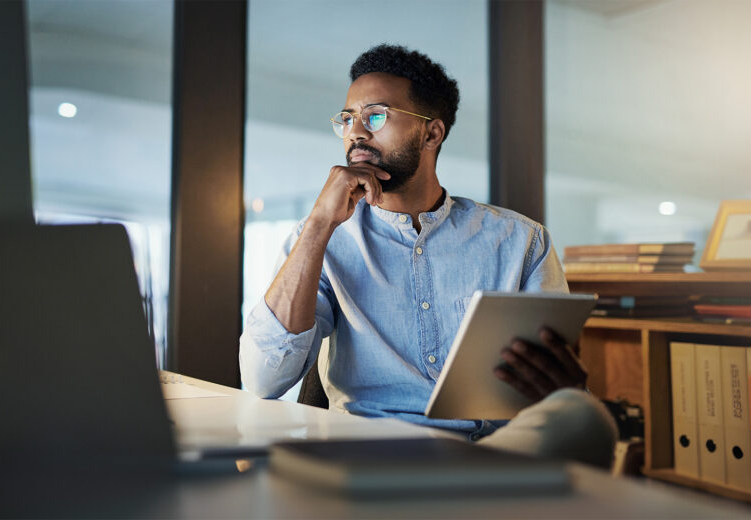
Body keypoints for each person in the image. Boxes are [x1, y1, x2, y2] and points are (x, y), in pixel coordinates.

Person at [240, 44, 617, 467]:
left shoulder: (521, 240)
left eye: (375, 115)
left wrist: (564, 390)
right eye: (347, 118)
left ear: (432, 134)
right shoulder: (324, 236)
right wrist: (318, 226)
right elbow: (263, 380)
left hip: (488, 453)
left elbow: (555, 394)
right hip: (369, 452)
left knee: (589, 421)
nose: (356, 132)